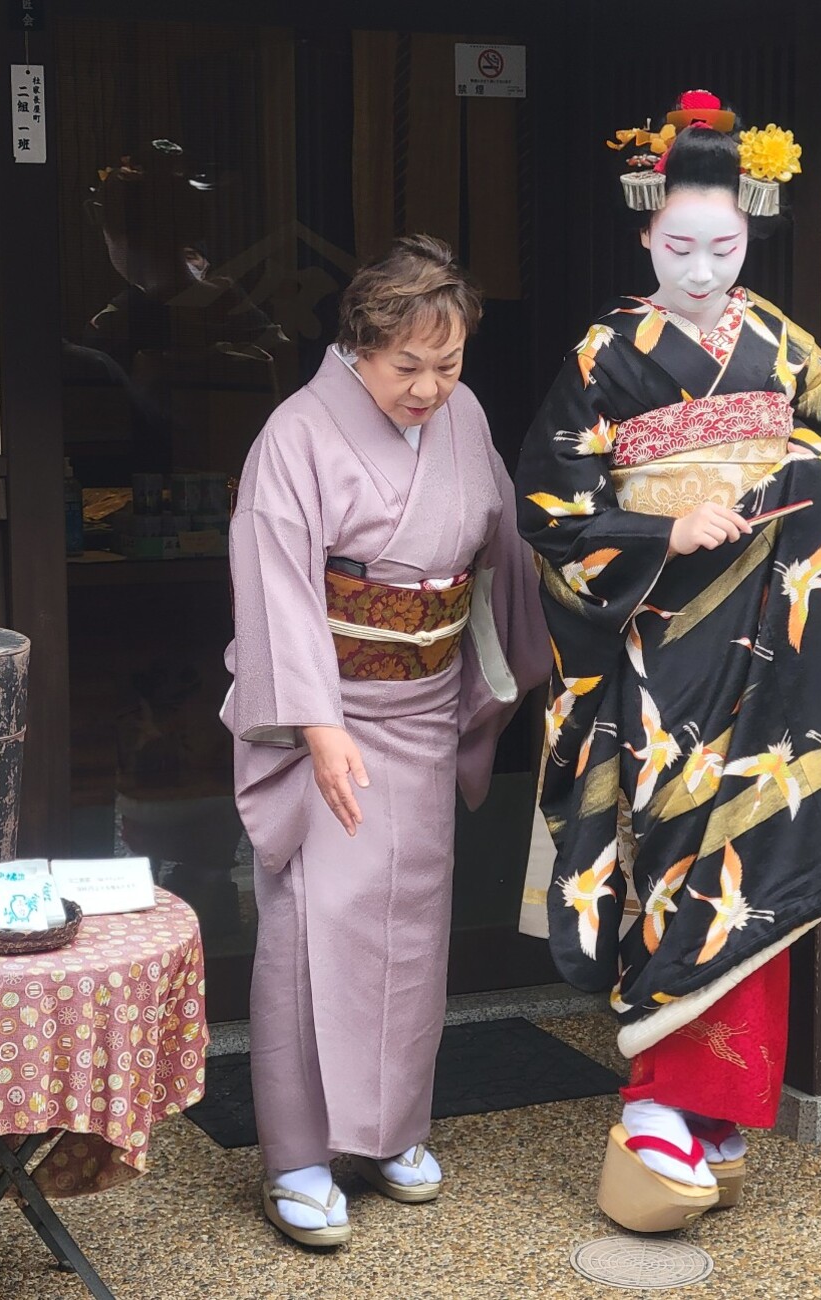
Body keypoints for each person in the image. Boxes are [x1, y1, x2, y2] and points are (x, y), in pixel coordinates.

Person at [515, 91, 821, 1232]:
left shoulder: (786, 344)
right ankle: (659, 1099)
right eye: (680, 247)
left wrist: (763, 504)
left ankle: (717, 1107)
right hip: (659, 655)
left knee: (767, 846)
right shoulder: (606, 353)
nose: (702, 270)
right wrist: (661, 528)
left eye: (727, 247)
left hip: (768, 643)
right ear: (645, 235)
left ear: (750, 236)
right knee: (675, 860)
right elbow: (552, 505)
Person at [222, 234, 550, 1248]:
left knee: (412, 929)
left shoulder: (466, 419)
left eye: (447, 366)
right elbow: (276, 584)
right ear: (356, 347)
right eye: (406, 364)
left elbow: (504, 553)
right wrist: (318, 727)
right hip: (332, 708)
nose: (427, 387)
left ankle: (395, 1128)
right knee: (316, 926)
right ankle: (302, 1156)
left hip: (424, 706)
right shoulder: (295, 433)